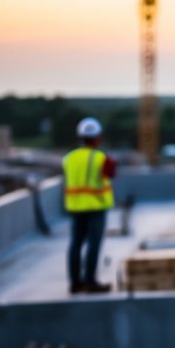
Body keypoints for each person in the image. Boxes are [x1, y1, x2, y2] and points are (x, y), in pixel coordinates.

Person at [63, 117, 116, 294]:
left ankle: (75, 283)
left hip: (75, 207)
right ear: (97, 137)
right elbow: (110, 174)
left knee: (75, 244)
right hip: (95, 207)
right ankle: (90, 282)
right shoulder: (101, 158)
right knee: (93, 245)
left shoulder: (69, 158)